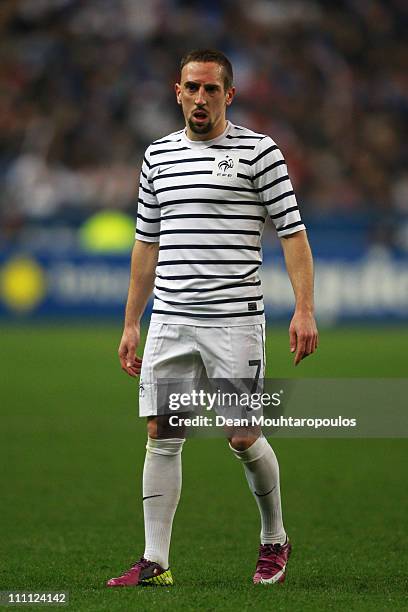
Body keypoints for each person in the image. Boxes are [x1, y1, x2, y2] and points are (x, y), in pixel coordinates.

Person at [107, 49, 318, 588]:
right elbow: (145, 244)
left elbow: (292, 232)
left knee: (242, 436)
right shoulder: (157, 157)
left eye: (211, 90)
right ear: (177, 91)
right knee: (162, 432)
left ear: (230, 94)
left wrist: (305, 308)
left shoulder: (260, 153)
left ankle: (275, 537)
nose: (201, 99)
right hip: (170, 319)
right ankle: (155, 561)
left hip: (234, 319)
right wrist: (133, 322)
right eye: (192, 88)